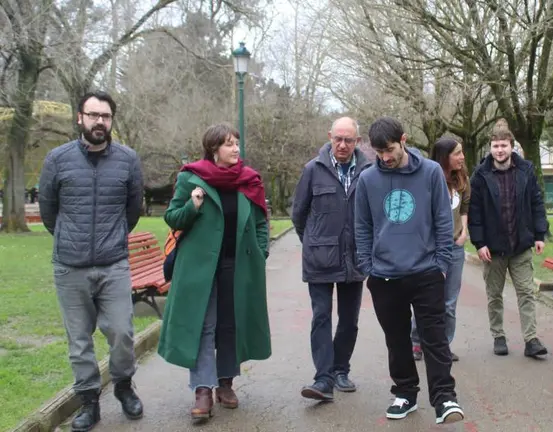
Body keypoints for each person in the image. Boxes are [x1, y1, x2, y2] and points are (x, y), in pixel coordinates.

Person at [38, 90, 145, 431]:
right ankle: (88, 402)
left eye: (106, 116)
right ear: (80, 118)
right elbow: (48, 211)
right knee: (79, 340)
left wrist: (108, 240)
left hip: (113, 264)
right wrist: (73, 240)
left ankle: (124, 386)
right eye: (93, 115)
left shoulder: (128, 160)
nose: (100, 122)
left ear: (112, 120)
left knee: (122, 332)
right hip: (70, 266)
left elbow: (132, 211)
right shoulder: (57, 159)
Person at [158, 123, 271, 421]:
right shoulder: (190, 178)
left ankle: (226, 383)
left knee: (230, 326)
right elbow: (172, 218)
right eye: (229, 144)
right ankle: (202, 390)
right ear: (213, 149)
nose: (236, 149)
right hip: (199, 269)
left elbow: (261, 222)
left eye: (236, 143)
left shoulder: (249, 180)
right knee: (204, 326)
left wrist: (262, 251)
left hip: (239, 266)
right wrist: (193, 206)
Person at [355, 116, 465, 424]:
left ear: (403, 139)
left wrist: (441, 264)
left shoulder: (430, 172)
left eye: (389, 149)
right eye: (379, 153)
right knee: (397, 339)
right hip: (385, 276)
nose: (385, 158)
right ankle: (405, 393)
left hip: (426, 272)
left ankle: (444, 399)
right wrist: (368, 268)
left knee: (435, 339)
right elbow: (361, 226)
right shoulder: (368, 179)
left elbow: (443, 220)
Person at [291, 117, 372, 401]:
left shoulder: (368, 171)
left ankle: (340, 370)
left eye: (348, 140)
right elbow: (298, 215)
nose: (342, 144)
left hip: (355, 260)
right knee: (321, 317)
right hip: (320, 260)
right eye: (338, 138)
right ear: (329, 137)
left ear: (357, 142)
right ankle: (323, 378)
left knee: (349, 319)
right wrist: (315, 243)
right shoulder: (313, 170)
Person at [467, 126, 549, 358]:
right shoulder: (480, 175)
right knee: (495, 294)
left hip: (521, 245)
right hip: (493, 249)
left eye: (504, 146)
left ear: (512, 147)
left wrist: (539, 234)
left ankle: (531, 340)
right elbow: (475, 213)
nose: (500, 150)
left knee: (526, 292)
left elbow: (536, 203)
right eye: (495, 146)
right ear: (490, 148)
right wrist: (479, 242)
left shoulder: (526, 170)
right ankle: (498, 336)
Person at [411, 137, 469, 362]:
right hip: (430, 250)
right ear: (445, 156)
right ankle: (417, 342)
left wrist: (464, 232)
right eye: (458, 153)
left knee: (449, 303)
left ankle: (442, 345)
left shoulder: (462, 178)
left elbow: (465, 207)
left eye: (462, 152)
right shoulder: (428, 179)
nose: (462, 157)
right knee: (427, 299)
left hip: (455, 248)